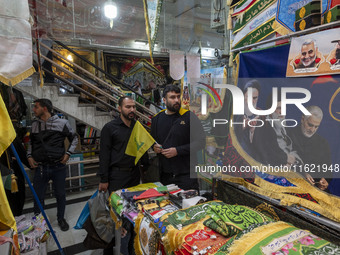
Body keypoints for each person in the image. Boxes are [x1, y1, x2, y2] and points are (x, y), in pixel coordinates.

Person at [97, 96, 141, 255]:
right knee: (114, 217)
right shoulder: (110, 128)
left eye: (134, 107)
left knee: (132, 215)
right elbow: (104, 155)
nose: (132, 110)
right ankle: (108, 251)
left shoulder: (137, 126)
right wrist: (104, 179)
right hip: (116, 177)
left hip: (134, 176)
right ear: (119, 108)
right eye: (128, 107)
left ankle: (130, 249)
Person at [27, 98, 78, 231]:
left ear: (45, 108)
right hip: (41, 167)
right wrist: (29, 156)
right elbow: (31, 143)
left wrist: (68, 154)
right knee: (38, 196)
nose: (33, 109)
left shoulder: (62, 123)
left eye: (36, 107)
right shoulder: (34, 125)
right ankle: (39, 222)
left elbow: (74, 138)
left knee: (60, 194)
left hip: (58, 167)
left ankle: (61, 219)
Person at [151, 85, 206, 191]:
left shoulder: (189, 117)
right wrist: (154, 147)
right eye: (172, 97)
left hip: (186, 175)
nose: (176, 100)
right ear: (164, 100)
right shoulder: (156, 119)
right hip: (165, 176)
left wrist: (177, 151)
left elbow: (201, 142)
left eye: (178, 96)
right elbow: (153, 141)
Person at [288, 106, 332, 191]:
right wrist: (302, 174)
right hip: (291, 183)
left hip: (315, 188)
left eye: (316, 127)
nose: (312, 130)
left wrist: (325, 180)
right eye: (310, 125)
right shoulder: (288, 135)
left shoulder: (323, 143)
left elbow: (328, 171)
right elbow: (279, 162)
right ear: (302, 119)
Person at [251, 95, 301, 166]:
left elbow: (296, 150)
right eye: (279, 108)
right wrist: (285, 158)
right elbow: (266, 152)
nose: (282, 112)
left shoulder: (286, 128)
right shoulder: (263, 125)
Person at [234, 79, 261, 157]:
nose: (251, 101)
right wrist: (241, 128)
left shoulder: (261, 116)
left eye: (255, 98)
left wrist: (252, 132)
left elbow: (265, 145)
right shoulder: (235, 113)